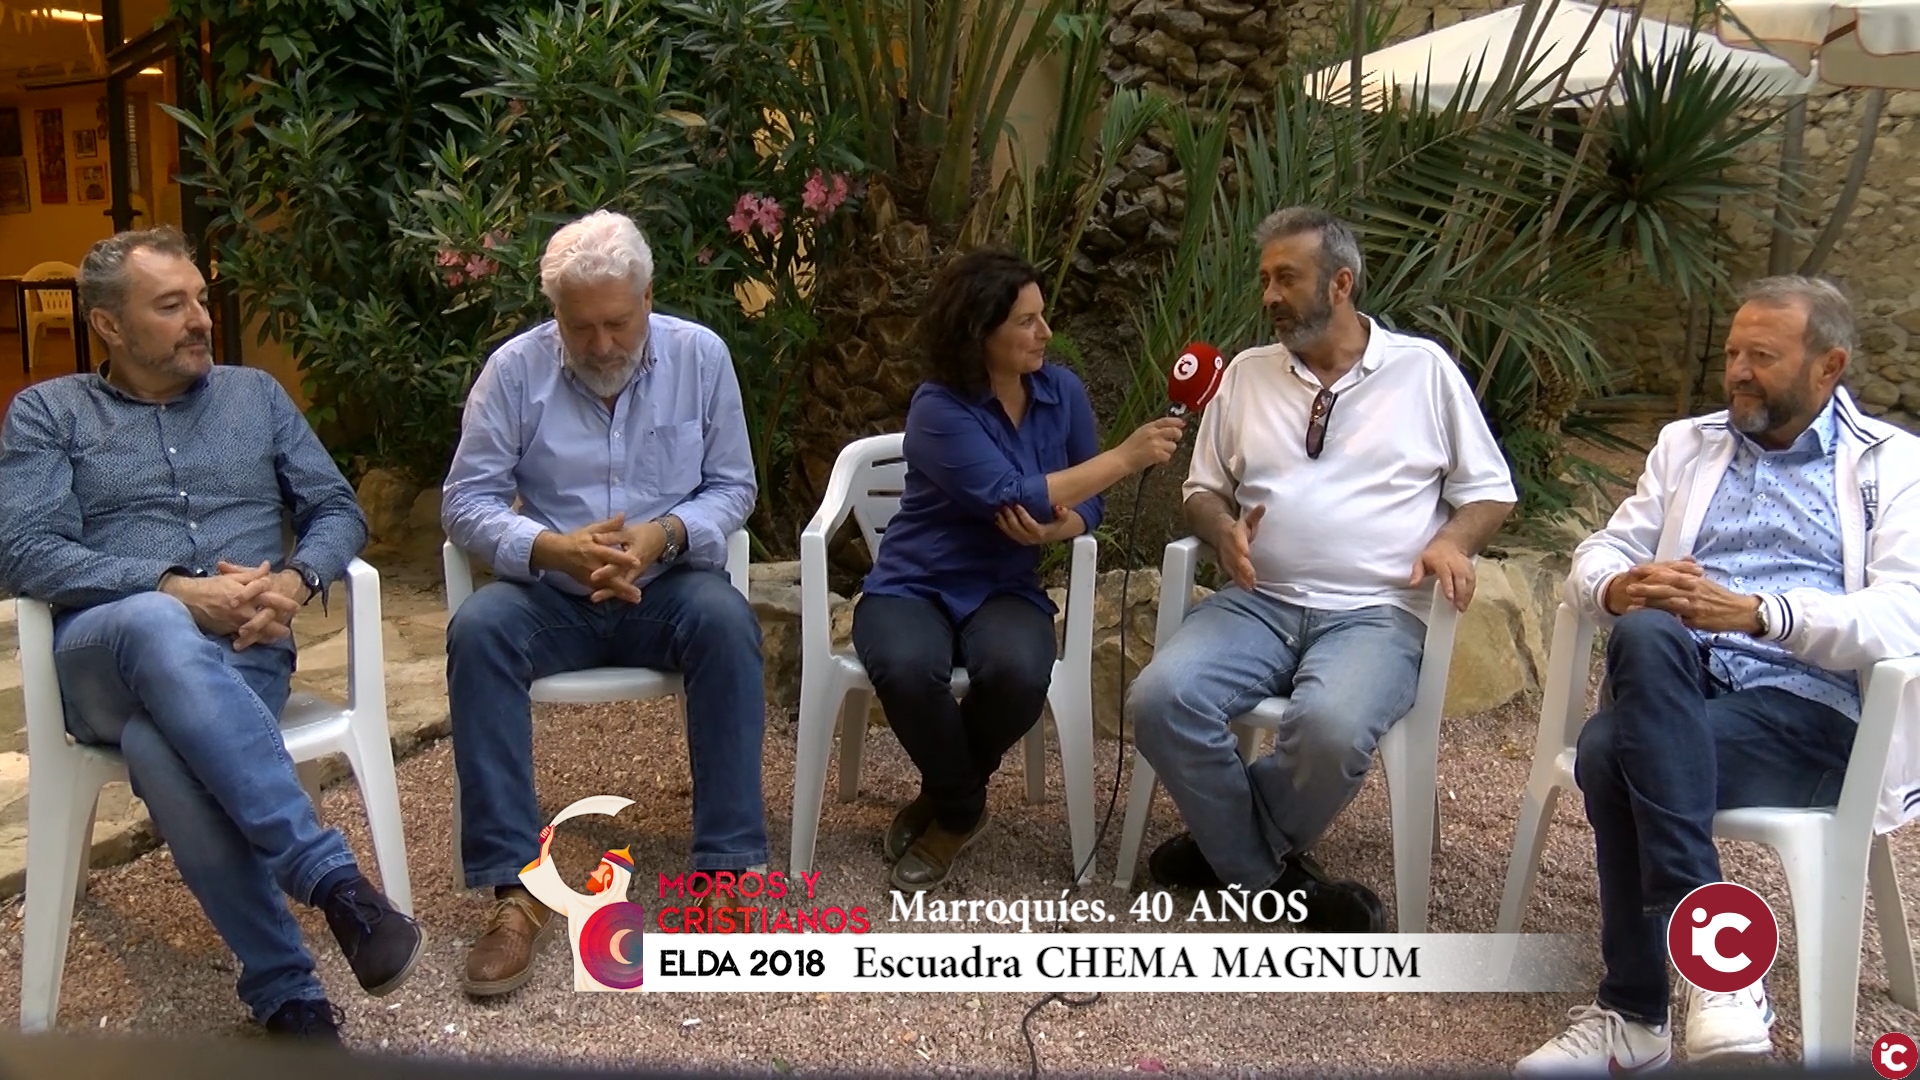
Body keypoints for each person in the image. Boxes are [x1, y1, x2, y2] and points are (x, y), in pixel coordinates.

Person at [0, 226, 422, 1039]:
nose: (200, 318)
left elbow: (336, 508)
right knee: (155, 618)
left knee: (159, 747)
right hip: (105, 655)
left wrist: (296, 581)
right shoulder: (50, 413)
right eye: (171, 306)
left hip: (246, 649)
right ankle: (330, 877)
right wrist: (171, 588)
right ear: (110, 326)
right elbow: (22, 550)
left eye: (199, 298)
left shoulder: (254, 395)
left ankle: (287, 993)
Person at [1517, 276, 1920, 1073]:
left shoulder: (1894, 464)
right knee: (1647, 628)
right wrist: (1617, 586)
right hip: (1684, 688)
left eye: (1762, 357)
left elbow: (1907, 611)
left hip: (1811, 712)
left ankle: (1635, 1014)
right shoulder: (1687, 444)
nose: (1737, 372)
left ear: (1829, 366)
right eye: (1733, 353)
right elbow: (1603, 549)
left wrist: (1763, 614)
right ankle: (1719, 971)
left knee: (1609, 753)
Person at [1126, 207, 1516, 932]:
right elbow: (1201, 490)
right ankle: (1269, 878)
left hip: (1377, 612)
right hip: (1258, 601)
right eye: (1265, 280)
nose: (1269, 296)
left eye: (1287, 278)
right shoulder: (1245, 375)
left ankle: (1224, 851)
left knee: (1332, 729)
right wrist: (1221, 529)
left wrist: (1453, 541)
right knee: (1160, 699)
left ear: (1341, 283)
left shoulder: (1423, 370)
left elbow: (1490, 491)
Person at [441, 209, 764, 995]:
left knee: (727, 621)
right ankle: (516, 891)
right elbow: (465, 500)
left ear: (648, 298)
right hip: (553, 595)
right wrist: (550, 547)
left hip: (668, 586)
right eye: (580, 326)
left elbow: (734, 486)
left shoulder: (701, 356)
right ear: (555, 313)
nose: (602, 345)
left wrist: (664, 536)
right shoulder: (514, 370)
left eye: (618, 322)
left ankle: (726, 869)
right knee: (478, 629)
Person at [852, 248, 1184, 891]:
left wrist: (1063, 526)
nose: (1045, 333)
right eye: (1027, 321)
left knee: (1019, 673)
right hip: (914, 581)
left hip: (1005, 585)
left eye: (1043, 316)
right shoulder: (938, 406)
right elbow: (1007, 490)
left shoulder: (1062, 394)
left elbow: (1088, 501)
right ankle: (962, 811)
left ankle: (939, 796)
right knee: (904, 666)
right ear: (980, 330)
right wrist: (1126, 457)